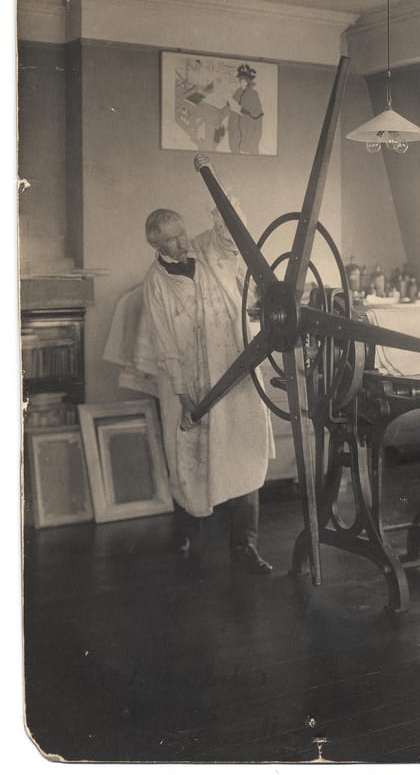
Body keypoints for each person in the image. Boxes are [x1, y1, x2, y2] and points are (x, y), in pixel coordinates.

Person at [142, 197, 275, 574]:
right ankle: (186, 533)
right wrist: (185, 397)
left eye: (182, 233)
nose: (182, 242)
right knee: (192, 457)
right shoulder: (156, 283)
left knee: (243, 453)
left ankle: (245, 546)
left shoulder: (206, 248)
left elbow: (234, 234)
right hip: (193, 385)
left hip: (234, 370)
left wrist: (221, 199)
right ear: (156, 244)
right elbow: (166, 345)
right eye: (172, 239)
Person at [227, 63, 263, 155]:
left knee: (251, 147)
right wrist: (230, 104)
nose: (242, 83)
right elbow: (233, 104)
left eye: (244, 81)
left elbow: (257, 112)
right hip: (236, 123)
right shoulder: (237, 91)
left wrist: (244, 111)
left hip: (248, 124)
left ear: (248, 82)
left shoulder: (253, 94)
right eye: (240, 80)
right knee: (234, 143)